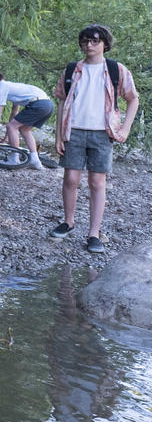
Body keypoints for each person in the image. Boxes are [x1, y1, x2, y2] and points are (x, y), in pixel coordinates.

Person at [49, 24, 139, 254]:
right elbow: (61, 101)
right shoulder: (72, 69)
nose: (89, 45)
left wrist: (125, 129)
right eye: (85, 41)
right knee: (70, 178)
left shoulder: (116, 70)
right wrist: (58, 135)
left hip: (102, 133)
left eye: (94, 41)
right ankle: (68, 222)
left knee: (97, 182)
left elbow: (133, 99)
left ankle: (94, 233)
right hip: (74, 130)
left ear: (105, 44)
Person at [0, 70, 55, 170]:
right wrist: (7, 136)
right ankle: (35, 160)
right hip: (48, 105)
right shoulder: (13, 87)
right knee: (24, 130)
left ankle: (14, 159)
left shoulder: (2, 88)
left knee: (12, 126)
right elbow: (14, 113)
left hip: (39, 104)